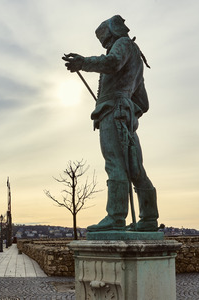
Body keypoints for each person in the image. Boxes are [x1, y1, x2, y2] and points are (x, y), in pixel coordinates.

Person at [62, 15, 158, 232]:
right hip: (124, 114)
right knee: (134, 167)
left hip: (113, 113)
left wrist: (83, 63)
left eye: (106, 40)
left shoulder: (123, 45)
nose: (106, 46)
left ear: (113, 33)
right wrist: (129, 111)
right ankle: (149, 218)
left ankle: (115, 217)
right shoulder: (135, 56)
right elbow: (143, 102)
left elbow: (113, 63)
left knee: (115, 164)